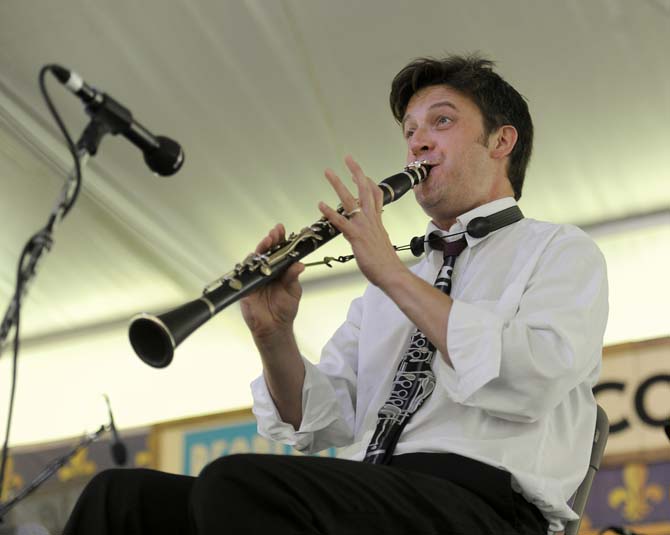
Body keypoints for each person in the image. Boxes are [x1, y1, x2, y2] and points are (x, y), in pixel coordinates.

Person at [63, 54, 608, 535]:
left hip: (485, 509)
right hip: (366, 495)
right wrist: (272, 334)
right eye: (410, 130)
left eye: (441, 121)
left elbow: (533, 375)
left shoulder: (560, 251)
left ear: (501, 141)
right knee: (120, 499)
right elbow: (323, 419)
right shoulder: (390, 287)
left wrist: (394, 276)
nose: (418, 141)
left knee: (236, 484)